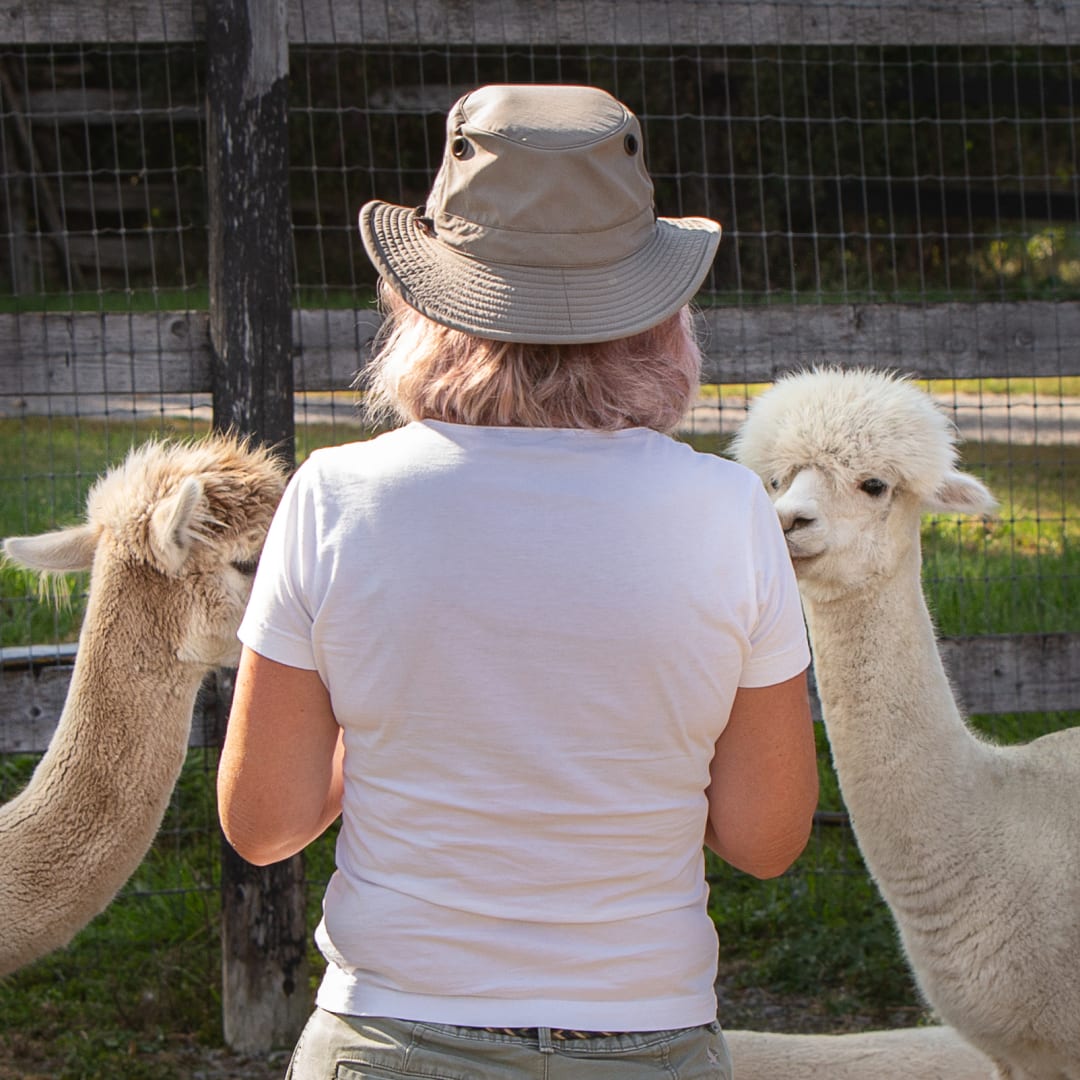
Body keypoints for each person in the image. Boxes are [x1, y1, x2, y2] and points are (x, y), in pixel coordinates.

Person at [218, 83, 818, 1080]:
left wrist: (395, 745)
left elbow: (264, 820)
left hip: (391, 1038)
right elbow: (765, 836)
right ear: (658, 307)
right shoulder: (729, 510)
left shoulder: (337, 497)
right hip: (650, 1039)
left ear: (422, 298)